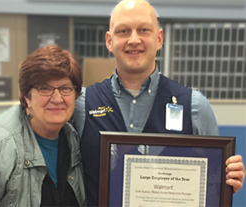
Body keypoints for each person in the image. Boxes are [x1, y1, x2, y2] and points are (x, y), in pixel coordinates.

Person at [71, 0, 245, 206]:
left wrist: (227, 179)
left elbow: (212, 182)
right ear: (109, 41)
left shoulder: (195, 107)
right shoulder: (80, 104)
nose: (134, 39)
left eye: (143, 30)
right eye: (124, 31)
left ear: (159, 38)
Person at [0, 45, 86, 207]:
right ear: (27, 96)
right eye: (45, 88)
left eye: (65, 88)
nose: (57, 98)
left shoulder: (73, 138)